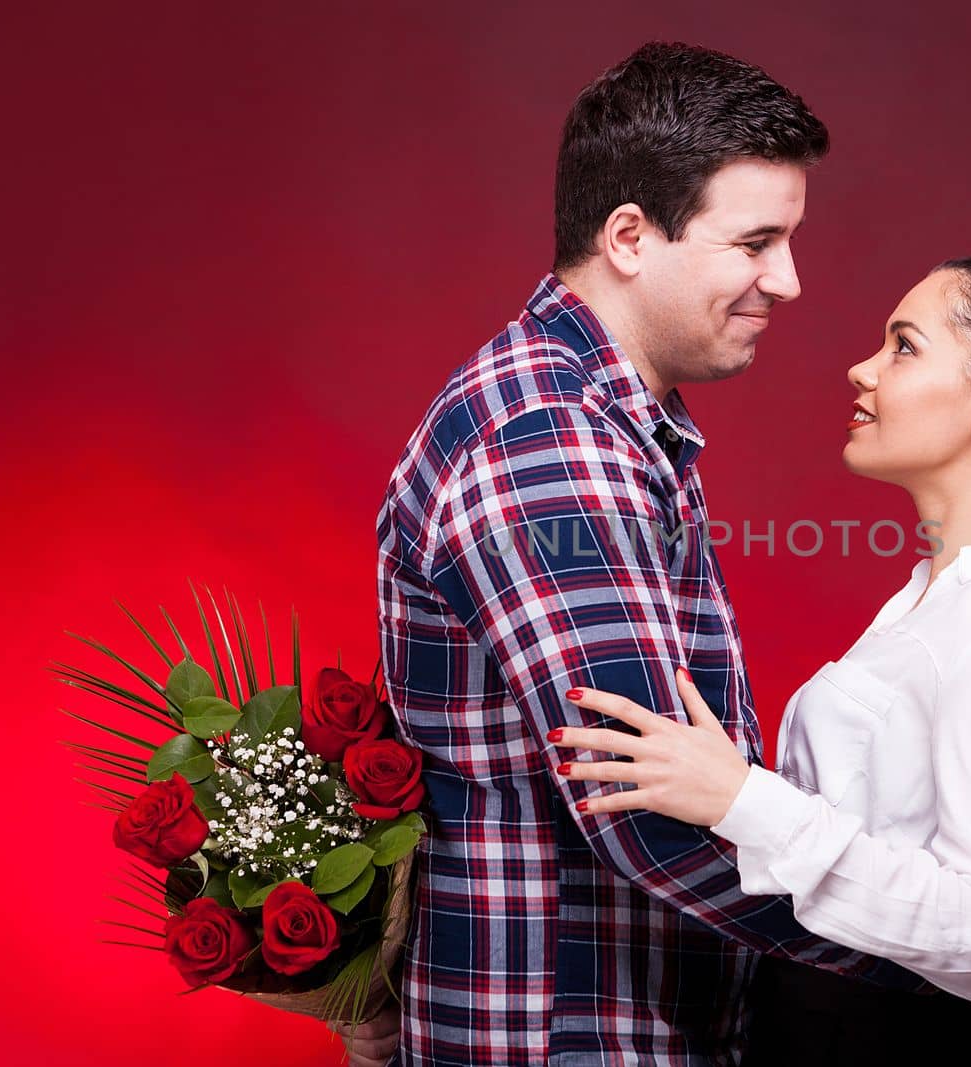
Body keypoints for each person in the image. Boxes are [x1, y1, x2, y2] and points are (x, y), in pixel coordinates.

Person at [353, 41, 929, 1067]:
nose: (786, 281)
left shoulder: (612, 420)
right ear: (628, 235)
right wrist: (921, 945)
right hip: (569, 1037)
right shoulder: (548, 435)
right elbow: (648, 805)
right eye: (754, 241)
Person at [551, 256, 971, 1064]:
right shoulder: (940, 598)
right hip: (816, 1023)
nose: (862, 368)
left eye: (905, 347)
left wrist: (741, 797)